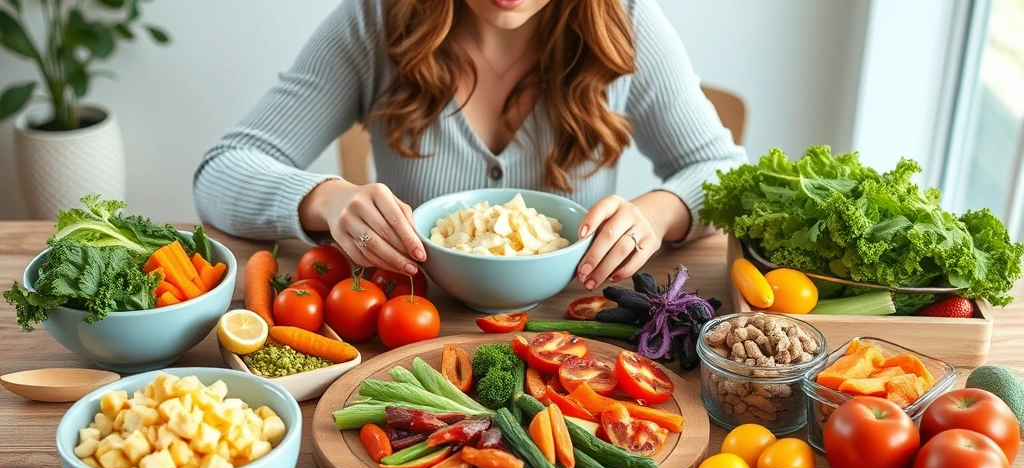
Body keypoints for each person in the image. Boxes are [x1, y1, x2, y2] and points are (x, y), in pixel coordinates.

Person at [194, 0, 745, 291]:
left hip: (581, 333)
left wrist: (660, 211)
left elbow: (720, 170)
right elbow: (221, 172)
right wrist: (328, 198)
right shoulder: (376, 19)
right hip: (407, 339)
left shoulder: (624, 19)